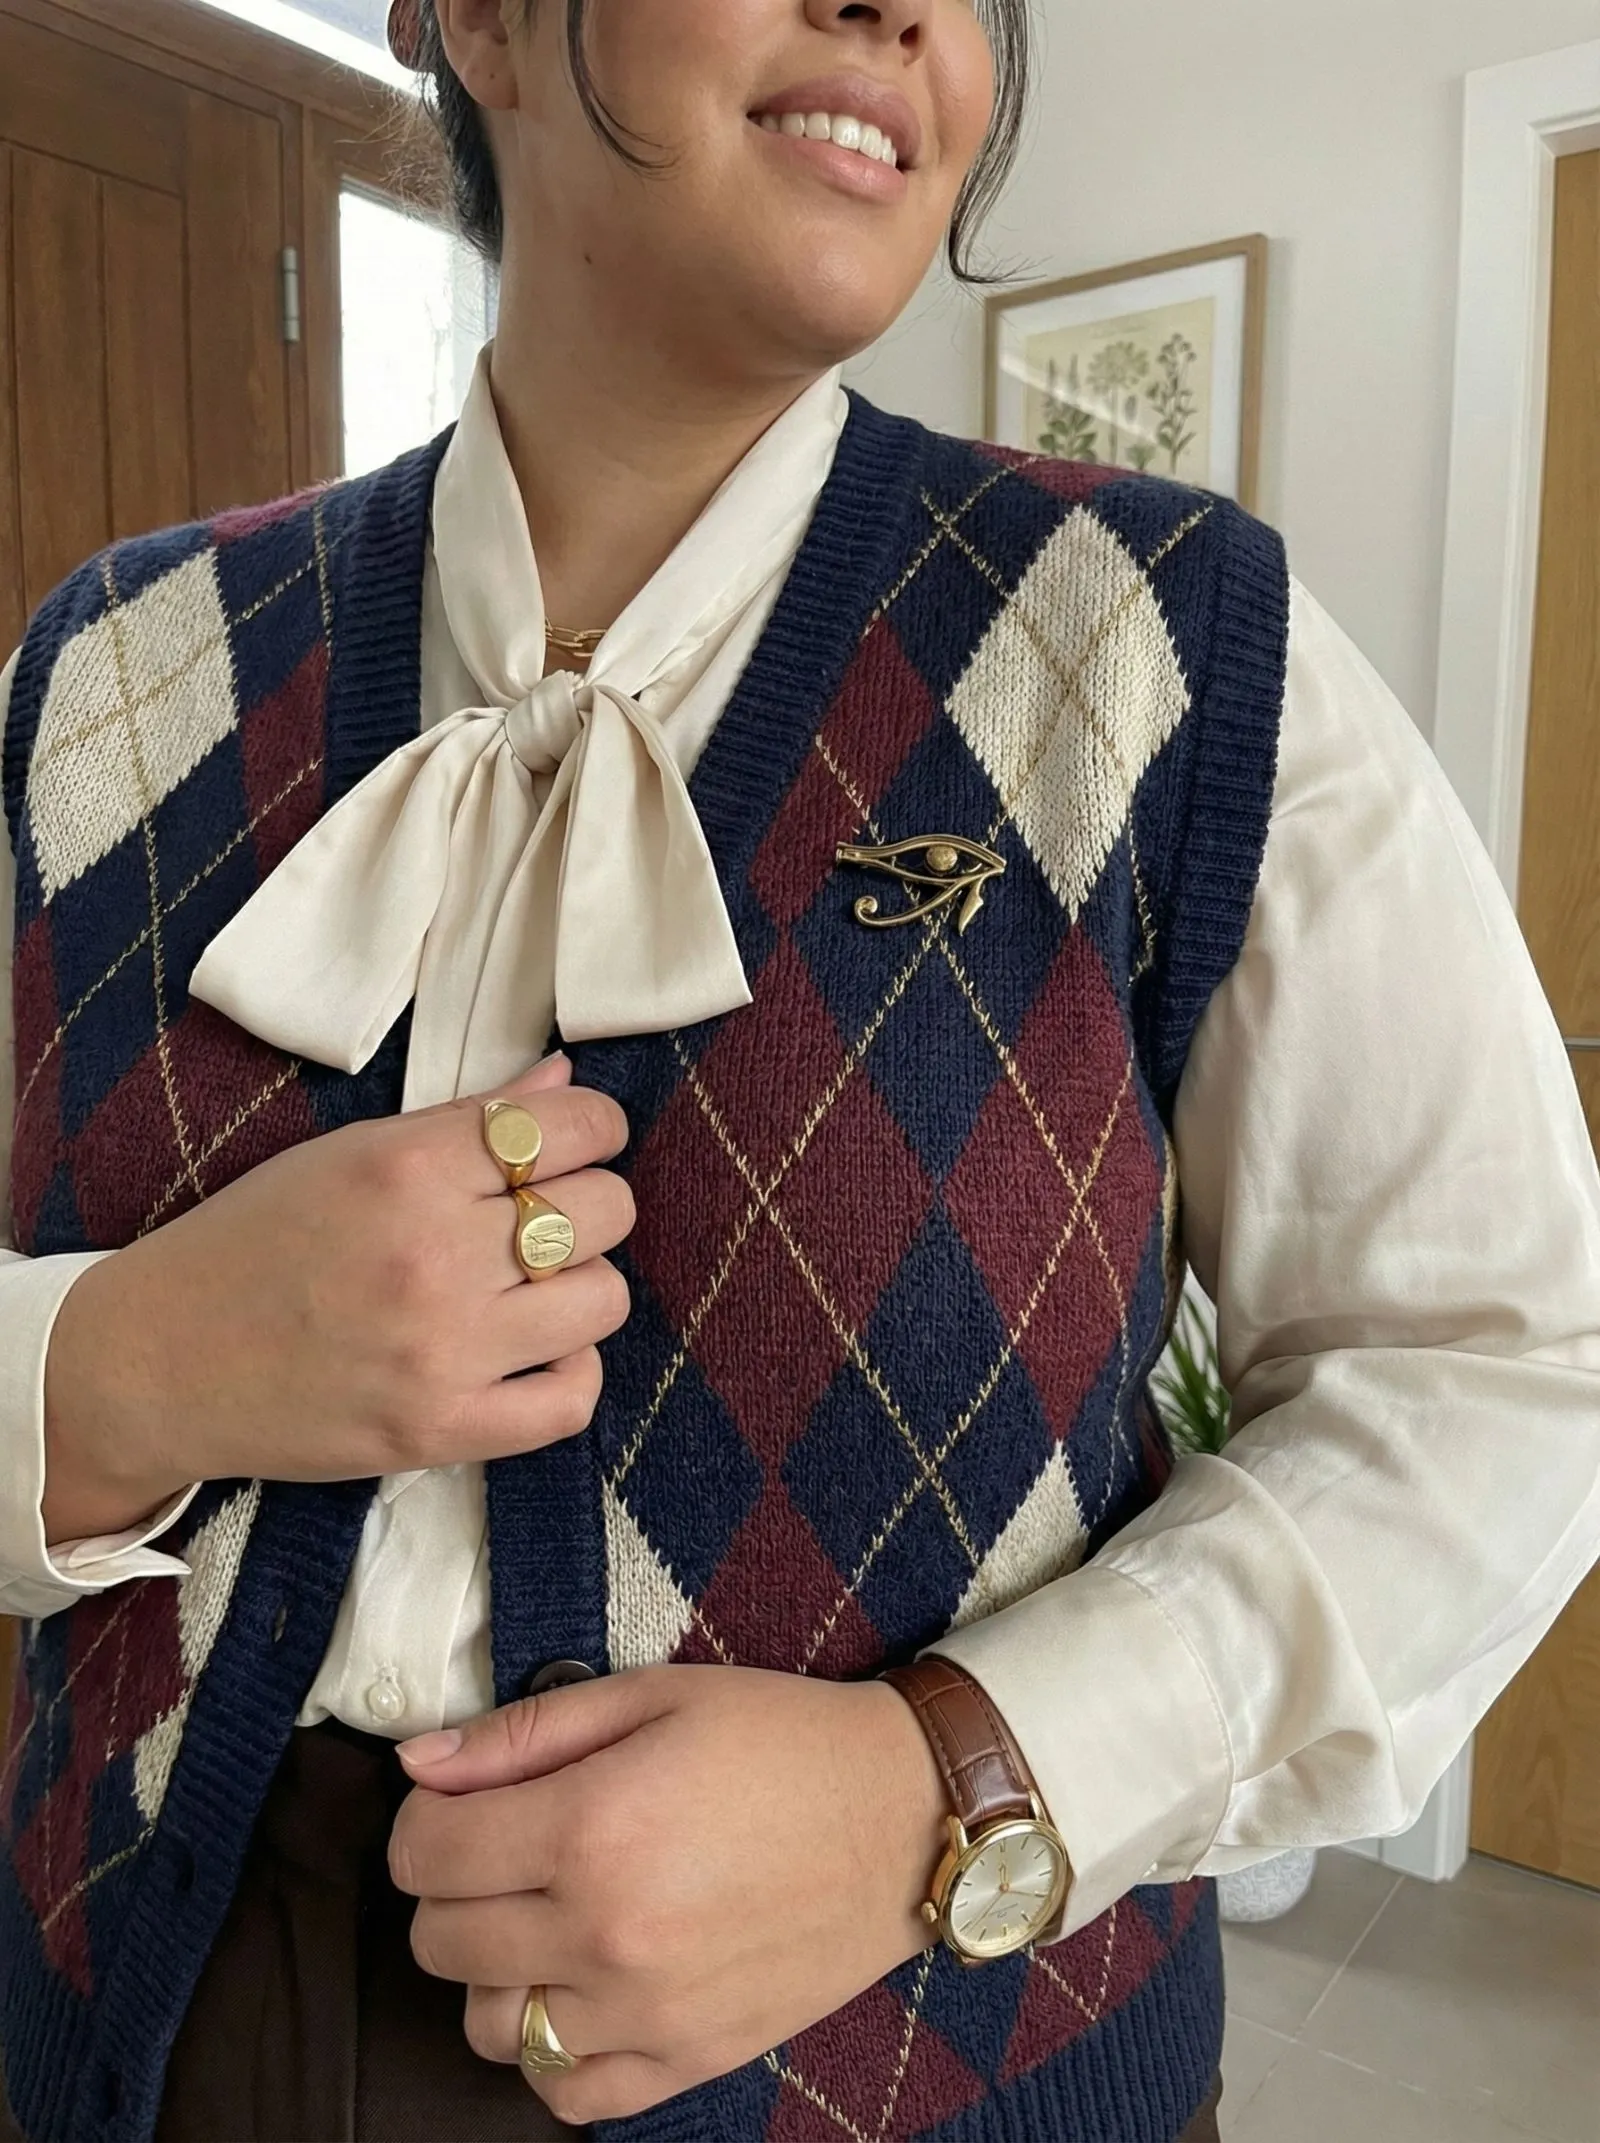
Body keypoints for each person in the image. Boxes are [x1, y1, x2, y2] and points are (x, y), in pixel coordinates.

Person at [2, 0, 1598, 2138]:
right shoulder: (103, 677)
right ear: (468, 16)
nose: (902, 10)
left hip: (928, 2068)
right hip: (134, 2029)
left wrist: (936, 1792)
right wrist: (109, 1371)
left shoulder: (1175, 659)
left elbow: (1494, 1378)